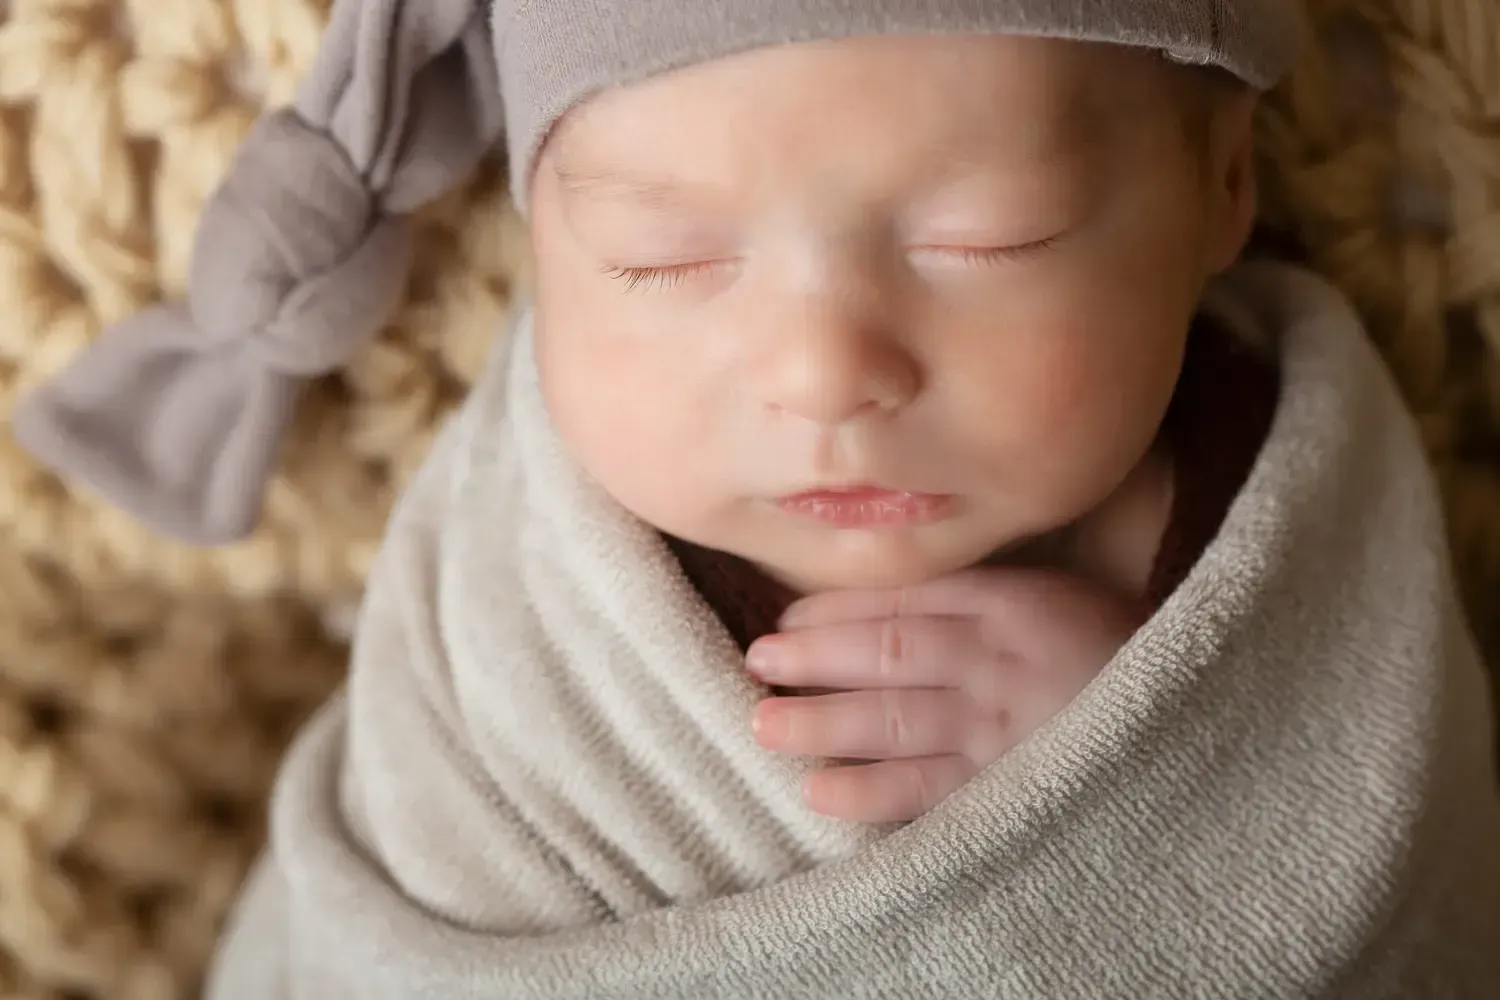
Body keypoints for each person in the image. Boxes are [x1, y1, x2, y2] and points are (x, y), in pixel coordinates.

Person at [13, 2, 1499, 996]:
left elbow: (1399, 874)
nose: (824, 372)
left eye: (990, 240)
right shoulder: (507, 627)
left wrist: (1178, 754)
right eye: (665, 261)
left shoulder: (1293, 512)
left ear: (1222, 186)